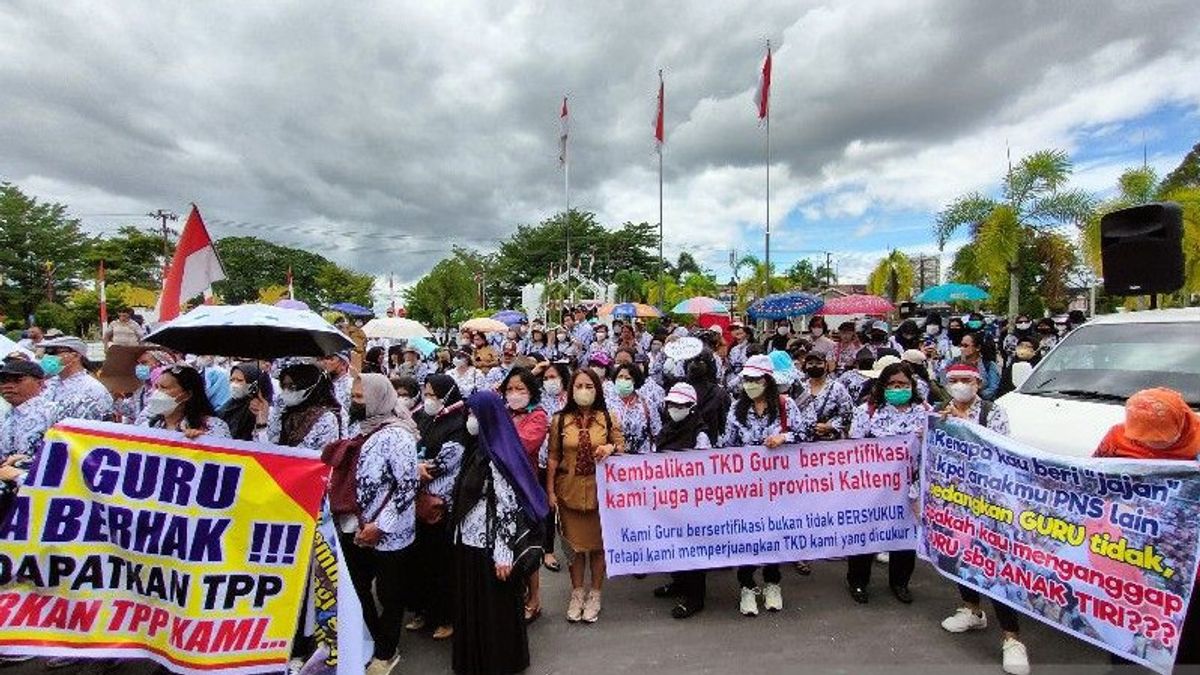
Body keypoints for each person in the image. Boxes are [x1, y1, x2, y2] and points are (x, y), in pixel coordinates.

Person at [1094, 388, 1200, 668]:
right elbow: (1094, 478)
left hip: (1186, 560)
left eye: (1161, 442)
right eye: (1143, 441)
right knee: (1123, 622)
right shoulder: (1117, 437)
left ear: (1181, 425)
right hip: (1127, 550)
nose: (1152, 447)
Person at [935, 364, 1029, 675]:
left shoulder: (992, 412)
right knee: (960, 556)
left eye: (967, 380)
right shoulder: (939, 409)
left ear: (979, 383)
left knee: (994, 565)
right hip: (953, 500)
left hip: (990, 503)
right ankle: (972, 609)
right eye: (954, 381)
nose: (960, 385)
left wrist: (967, 427)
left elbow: (1002, 452)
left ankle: (1012, 638)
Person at [451, 391, 549, 675]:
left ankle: (498, 663)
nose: (469, 421)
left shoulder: (498, 457)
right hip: (469, 541)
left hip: (492, 547)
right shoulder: (476, 449)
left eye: (473, 415)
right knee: (476, 607)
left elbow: (508, 507)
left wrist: (503, 555)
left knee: (494, 610)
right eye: (467, 414)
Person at [332, 374, 420, 675]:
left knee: (389, 594)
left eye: (360, 397)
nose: (354, 402)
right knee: (357, 588)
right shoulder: (362, 427)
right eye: (354, 396)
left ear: (378, 398)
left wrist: (381, 525)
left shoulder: (397, 436)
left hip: (389, 535)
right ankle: (372, 638)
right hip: (354, 527)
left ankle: (386, 650)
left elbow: (407, 487)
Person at [719, 354, 801, 616]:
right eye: (747, 379)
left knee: (774, 533)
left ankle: (773, 582)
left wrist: (783, 437)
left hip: (778, 485)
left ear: (768, 381)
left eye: (756, 379)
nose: (751, 384)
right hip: (745, 487)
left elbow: (805, 434)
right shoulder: (736, 408)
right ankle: (747, 586)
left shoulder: (786, 405)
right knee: (747, 534)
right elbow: (727, 445)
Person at [845, 361, 930, 605]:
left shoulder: (925, 411)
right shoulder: (867, 411)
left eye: (902, 384)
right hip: (873, 487)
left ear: (912, 386)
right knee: (865, 534)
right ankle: (858, 581)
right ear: (882, 386)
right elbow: (853, 448)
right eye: (891, 384)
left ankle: (900, 582)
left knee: (903, 536)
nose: (897, 388)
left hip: (910, 487)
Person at [546, 368, 624, 623]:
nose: (584, 391)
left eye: (589, 386)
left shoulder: (608, 418)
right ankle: (577, 593)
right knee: (574, 548)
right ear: (570, 390)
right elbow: (553, 457)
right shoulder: (559, 419)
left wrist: (611, 447)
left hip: (601, 491)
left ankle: (596, 594)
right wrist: (550, 492)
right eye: (578, 386)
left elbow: (623, 448)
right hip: (568, 490)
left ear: (597, 389)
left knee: (598, 547)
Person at [409, 375, 469, 639]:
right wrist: (413, 467)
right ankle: (424, 611)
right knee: (420, 561)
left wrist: (417, 467)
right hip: (416, 498)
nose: (428, 398)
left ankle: (446, 617)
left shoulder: (458, 423)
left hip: (442, 502)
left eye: (433, 394)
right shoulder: (423, 417)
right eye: (426, 393)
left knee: (442, 563)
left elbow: (448, 459)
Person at [652, 382, 713, 619]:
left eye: (681, 405)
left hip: (692, 502)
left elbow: (703, 468)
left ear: (692, 407)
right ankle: (678, 583)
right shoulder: (667, 429)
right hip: (668, 499)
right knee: (673, 545)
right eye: (671, 404)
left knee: (692, 548)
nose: (675, 408)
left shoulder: (700, 434)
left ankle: (695, 597)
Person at [499, 367, 550, 622]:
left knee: (527, 545)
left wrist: (499, 437)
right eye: (510, 389)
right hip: (500, 487)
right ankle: (514, 594)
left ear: (531, 392)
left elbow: (523, 446)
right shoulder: (504, 413)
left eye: (520, 389)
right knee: (505, 544)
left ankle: (535, 598)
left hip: (525, 487)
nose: (514, 394)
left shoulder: (538, 416)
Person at [252, 361, 344, 451]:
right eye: (284, 386)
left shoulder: (326, 418)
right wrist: (261, 424)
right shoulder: (283, 412)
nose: (287, 391)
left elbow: (318, 458)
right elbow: (265, 450)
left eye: (292, 387)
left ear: (310, 388)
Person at [537, 361, 571, 573]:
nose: (550, 382)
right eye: (546, 378)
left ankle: (574, 546)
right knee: (548, 507)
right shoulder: (538, 400)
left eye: (554, 377)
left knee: (569, 505)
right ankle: (547, 550)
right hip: (544, 460)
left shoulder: (572, 398)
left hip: (569, 462)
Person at [138, 364, 230, 438]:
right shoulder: (147, 424)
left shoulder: (213, 426)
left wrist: (203, 442)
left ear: (186, 395)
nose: (157, 392)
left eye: (164, 388)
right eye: (157, 387)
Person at [40, 336, 113, 421]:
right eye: (46, 353)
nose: (47, 357)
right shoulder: (48, 384)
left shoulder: (93, 389)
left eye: (53, 352)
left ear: (75, 356)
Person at [0, 359, 62, 459]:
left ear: (40, 383)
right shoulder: (7, 417)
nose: (8, 386)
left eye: (17, 380)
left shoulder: (53, 412)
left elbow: (66, 454)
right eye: (3, 381)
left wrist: (25, 463)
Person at [794, 352, 854, 442]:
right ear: (805, 366)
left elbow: (848, 413)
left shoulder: (837, 388)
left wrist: (831, 426)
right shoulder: (800, 388)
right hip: (803, 441)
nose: (814, 366)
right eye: (810, 364)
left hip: (830, 442)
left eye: (819, 363)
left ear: (826, 366)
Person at [609, 363, 661, 455]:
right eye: (620, 377)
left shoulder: (647, 403)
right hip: (616, 460)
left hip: (642, 461)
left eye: (627, 378)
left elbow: (656, 431)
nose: (623, 380)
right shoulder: (608, 404)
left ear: (635, 381)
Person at [219, 362, 274, 441]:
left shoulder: (262, 409)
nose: (234, 384)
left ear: (252, 384)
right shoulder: (228, 406)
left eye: (240, 380)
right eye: (232, 380)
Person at [939, 332, 1000, 401]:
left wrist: (971, 396)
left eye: (965, 346)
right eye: (961, 345)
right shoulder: (951, 362)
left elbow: (992, 389)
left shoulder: (989, 365)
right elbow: (943, 382)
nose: (962, 349)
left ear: (977, 348)